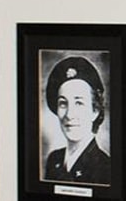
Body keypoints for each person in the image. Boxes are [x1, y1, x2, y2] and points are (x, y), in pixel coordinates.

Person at [43, 56, 111, 185]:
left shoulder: (105, 167)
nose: (69, 114)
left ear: (95, 110)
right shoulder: (54, 159)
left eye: (79, 103)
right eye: (63, 103)